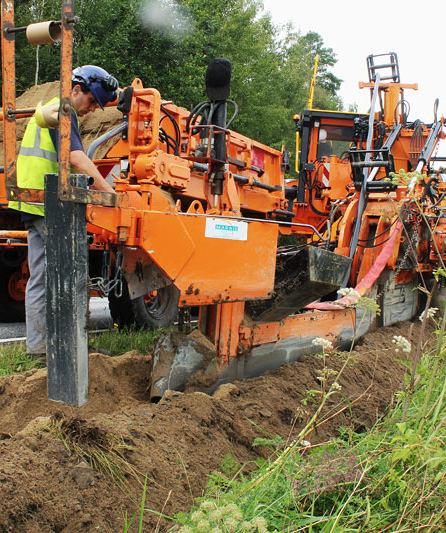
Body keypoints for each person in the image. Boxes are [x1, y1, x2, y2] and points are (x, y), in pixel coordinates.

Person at [9, 65, 118, 362]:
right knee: (72, 274)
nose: (92, 109)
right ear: (76, 90)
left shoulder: (49, 109)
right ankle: (73, 348)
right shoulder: (62, 112)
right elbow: (76, 158)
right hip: (48, 204)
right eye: (92, 101)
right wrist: (107, 190)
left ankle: (39, 348)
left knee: (41, 278)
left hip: (33, 203)